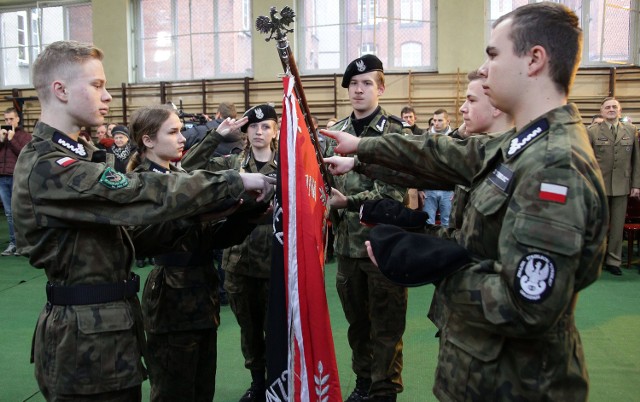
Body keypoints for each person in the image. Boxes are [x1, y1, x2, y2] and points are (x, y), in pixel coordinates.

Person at [323, 3, 608, 401]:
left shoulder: (553, 165)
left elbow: (526, 304)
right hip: (483, 370)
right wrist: (364, 152)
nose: (485, 68)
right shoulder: (521, 144)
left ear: (534, 60)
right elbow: (444, 156)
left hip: (517, 384)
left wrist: (439, 262)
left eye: (493, 54)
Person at [11, 40, 275, 401]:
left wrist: (205, 216)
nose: (106, 96)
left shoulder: (83, 156)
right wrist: (232, 180)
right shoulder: (48, 165)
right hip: (84, 341)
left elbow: (134, 242)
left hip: (108, 330)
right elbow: (135, 191)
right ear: (60, 90)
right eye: (96, 85)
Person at [126, 104, 255, 401]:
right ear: (148, 140)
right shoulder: (142, 182)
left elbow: (211, 239)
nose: (182, 137)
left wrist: (247, 215)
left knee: (201, 388)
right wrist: (198, 215)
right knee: (174, 391)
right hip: (170, 297)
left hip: (201, 293)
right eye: (173, 132)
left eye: (182, 130)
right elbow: (144, 238)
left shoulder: (178, 174)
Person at [327, 54, 410, 402]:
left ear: (381, 87)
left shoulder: (394, 132)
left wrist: (349, 203)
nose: (358, 90)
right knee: (358, 327)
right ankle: (363, 383)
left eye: (366, 83)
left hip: (383, 248)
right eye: (353, 84)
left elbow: (394, 193)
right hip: (347, 250)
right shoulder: (336, 133)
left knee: (387, 328)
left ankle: (384, 390)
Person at [182, 104, 278, 402]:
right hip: (239, 263)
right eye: (253, 127)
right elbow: (186, 167)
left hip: (277, 265)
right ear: (245, 131)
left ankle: (279, 382)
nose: (259, 132)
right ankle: (258, 382)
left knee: (276, 332)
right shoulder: (231, 162)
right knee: (249, 331)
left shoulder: (289, 166)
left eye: (266, 127)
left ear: (276, 131)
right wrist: (216, 135)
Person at [587, 97, 640, 275]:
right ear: (602, 111)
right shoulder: (593, 131)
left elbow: (636, 160)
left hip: (622, 184)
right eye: (607, 107)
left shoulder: (631, 131)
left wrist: (636, 184)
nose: (611, 109)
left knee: (617, 226)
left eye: (614, 107)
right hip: (599, 185)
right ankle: (596, 260)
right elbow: (587, 161)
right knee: (599, 225)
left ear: (620, 110)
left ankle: (613, 260)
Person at [0, 107, 31, 256]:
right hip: (2, 177)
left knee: (20, 211)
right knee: (8, 213)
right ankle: (13, 243)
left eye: (11, 119)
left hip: (17, 177)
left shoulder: (24, 136)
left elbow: (24, 154)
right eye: (5, 120)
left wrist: (12, 140)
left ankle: (23, 244)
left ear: (17, 119)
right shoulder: (1, 136)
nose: (8, 122)